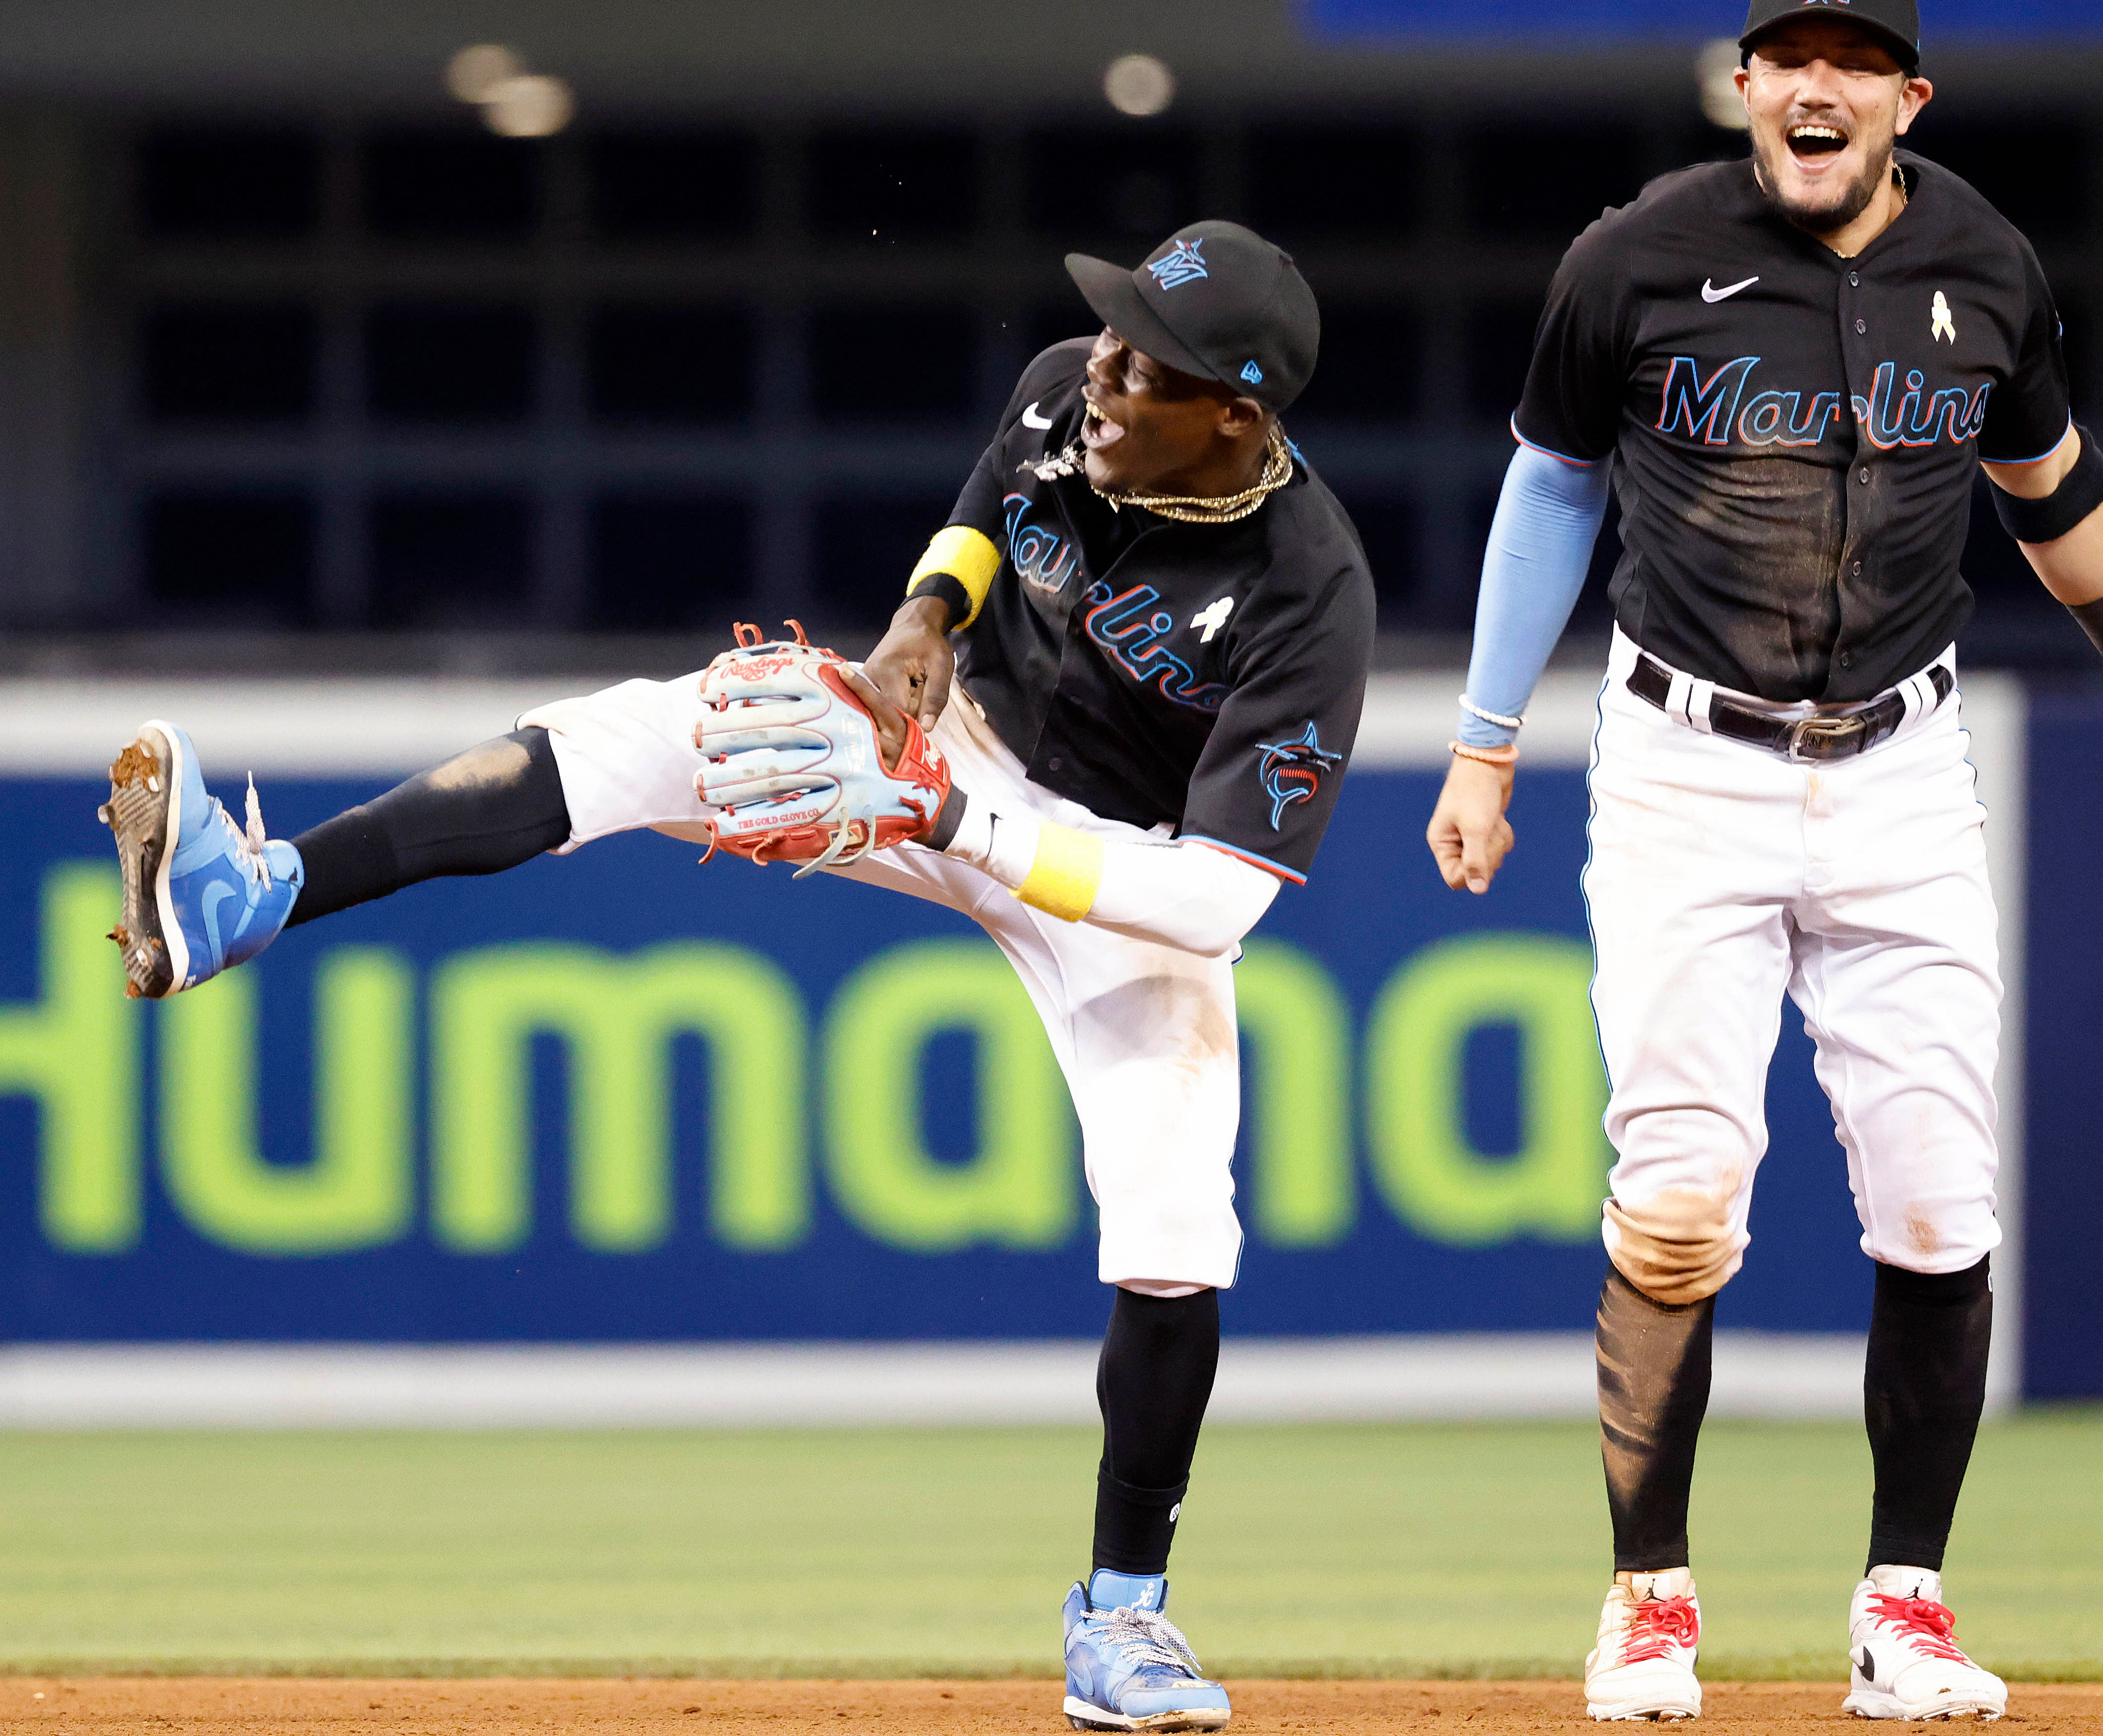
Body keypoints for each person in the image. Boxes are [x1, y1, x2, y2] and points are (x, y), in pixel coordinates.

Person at [100, 220, 1375, 1736]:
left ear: (1237, 413)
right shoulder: (1064, 392)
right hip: (941, 747)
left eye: (1143, 363)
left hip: (1111, 864)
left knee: (1175, 1225)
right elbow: (980, 521)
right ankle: (252, 896)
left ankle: (1121, 1626)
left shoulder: (1310, 591)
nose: (1101, 369)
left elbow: (1219, 901)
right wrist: (920, 629)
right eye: (1107, 334)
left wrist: (958, 822)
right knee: (651, 731)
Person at [1423, 0, 2103, 1725]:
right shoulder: (1633, 258)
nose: (1817, 86)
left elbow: (2051, 487)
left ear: (1910, 99)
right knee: (1682, 1198)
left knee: (1939, 1198)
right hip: (1686, 766)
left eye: (1857, 60)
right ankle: (1648, 1603)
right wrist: (1482, 746)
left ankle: (1905, 1610)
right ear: (1748, 81)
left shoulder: (1984, 263)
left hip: (1906, 778)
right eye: (1790, 55)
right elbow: (1549, 489)